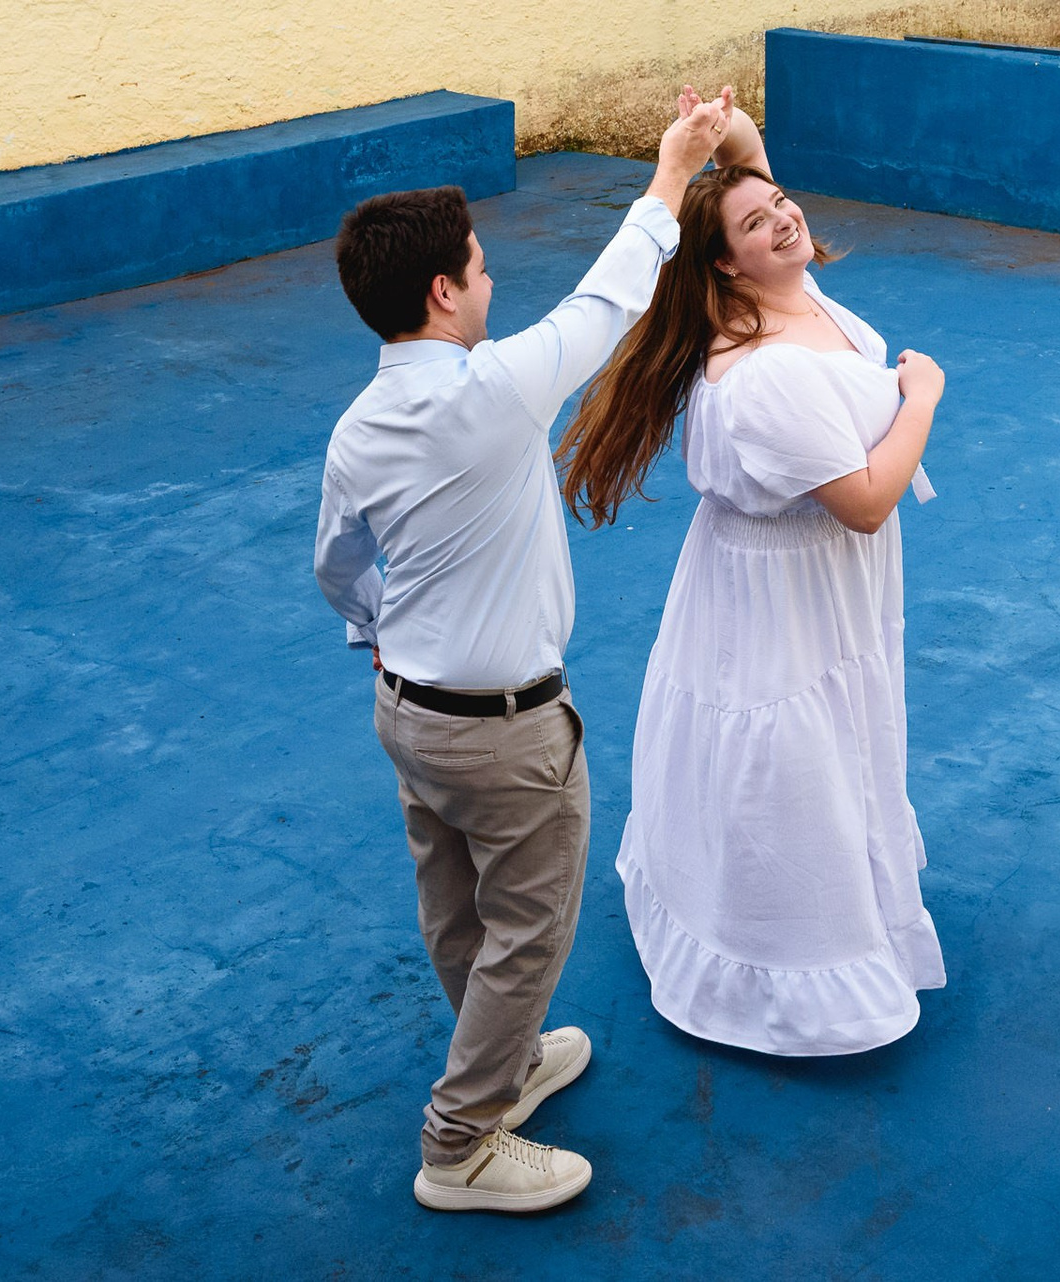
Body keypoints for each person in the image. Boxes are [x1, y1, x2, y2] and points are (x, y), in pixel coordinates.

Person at [313, 90, 730, 1212]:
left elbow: (336, 566)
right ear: (443, 292)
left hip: (409, 716)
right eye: (483, 268)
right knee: (528, 930)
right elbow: (611, 297)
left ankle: (506, 1059)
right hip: (506, 732)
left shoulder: (357, 428)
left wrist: (378, 634)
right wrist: (673, 168)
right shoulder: (495, 392)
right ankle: (459, 1144)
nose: (492, 283)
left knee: (456, 911)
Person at [555, 105, 947, 1057]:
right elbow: (865, 502)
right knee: (788, 764)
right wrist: (923, 396)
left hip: (811, 585)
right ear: (726, 265)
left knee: (823, 748)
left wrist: (721, 137)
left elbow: (757, 189)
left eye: (782, 206)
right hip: (784, 600)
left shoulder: (794, 296)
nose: (783, 218)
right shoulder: (767, 371)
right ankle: (780, 975)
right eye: (756, 223)